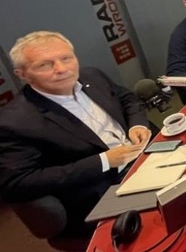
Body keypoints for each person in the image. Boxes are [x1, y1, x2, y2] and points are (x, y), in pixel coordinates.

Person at [0, 31, 151, 238]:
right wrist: (104, 161)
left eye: (66, 58)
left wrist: (137, 125)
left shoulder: (93, 76)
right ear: (22, 74)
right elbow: (17, 184)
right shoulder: (13, 122)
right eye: (45, 65)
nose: (62, 69)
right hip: (101, 189)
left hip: (145, 157)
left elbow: (128, 99)